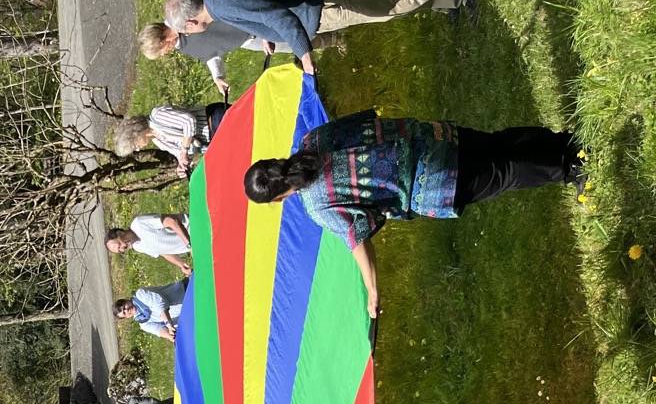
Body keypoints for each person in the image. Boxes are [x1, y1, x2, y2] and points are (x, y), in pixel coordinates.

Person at [242, 110, 583, 318]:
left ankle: (570, 166)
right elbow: (366, 120)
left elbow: (357, 239)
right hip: (429, 137)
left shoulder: (317, 204)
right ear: (274, 162)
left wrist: (372, 292)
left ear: (277, 200)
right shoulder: (312, 139)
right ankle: (564, 143)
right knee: (497, 144)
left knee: (503, 174)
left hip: (434, 181)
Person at [167, 0, 476, 75]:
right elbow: (265, 6)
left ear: (192, 23)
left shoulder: (220, 4)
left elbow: (278, 16)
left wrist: (303, 53)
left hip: (315, 8)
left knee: (388, 2)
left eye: (187, 32)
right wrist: (268, 37)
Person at [136, 20, 276, 100]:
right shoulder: (181, 46)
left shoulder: (183, 18)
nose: (163, 54)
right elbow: (209, 54)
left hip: (257, 24)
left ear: (161, 41)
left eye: (160, 51)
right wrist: (217, 76)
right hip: (250, 41)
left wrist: (262, 32)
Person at [112, 106, 226, 176]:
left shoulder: (157, 116)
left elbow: (189, 121)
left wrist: (184, 151)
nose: (137, 149)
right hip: (214, 142)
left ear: (136, 133)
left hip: (216, 122)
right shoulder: (158, 141)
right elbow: (180, 153)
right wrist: (182, 165)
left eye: (134, 145)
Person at [105, 214, 192, 273]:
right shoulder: (137, 247)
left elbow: (171, 221)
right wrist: (181, 265)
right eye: (120, 251)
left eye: (119, 245)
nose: (122, 249)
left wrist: (188, 244)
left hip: (194, 228)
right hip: (194, 246)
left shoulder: (139, 223)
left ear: (120, 233)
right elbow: (164, 252)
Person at [114, 282, 188, 342]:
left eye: (124, 307)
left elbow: (160, 304)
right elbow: (158, 330)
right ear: (127, 317)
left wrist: (169, 325)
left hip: (186, 291)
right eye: (124, 313)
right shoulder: (143, 324)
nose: (127, 310)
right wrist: (168, 335)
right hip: (187, 314)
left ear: (126, 300)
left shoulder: (140, 294)